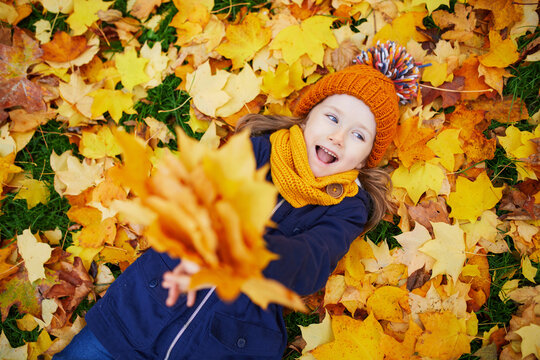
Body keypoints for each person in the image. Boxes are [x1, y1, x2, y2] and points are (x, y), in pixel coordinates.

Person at [54, 42, 418, 360]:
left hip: (227, 340)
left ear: (369, 155)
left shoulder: (347, 208)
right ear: (307, 118)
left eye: (358, 134)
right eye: (332, 117)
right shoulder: (257, 149)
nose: (338, 137)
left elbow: (312, 262)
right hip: (144, 307)